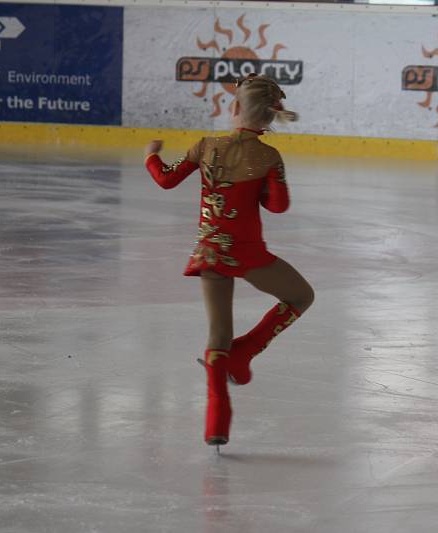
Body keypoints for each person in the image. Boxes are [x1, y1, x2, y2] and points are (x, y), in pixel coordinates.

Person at [143, 74, 314, 449]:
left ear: (234, 108)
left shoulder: (206, 146)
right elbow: (278, 206)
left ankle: (217, 417)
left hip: (210, 252)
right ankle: (246, 352)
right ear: (269, 117)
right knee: (301, 297)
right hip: (250, 253)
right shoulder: (269, 156)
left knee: (217, 335)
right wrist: (269, 182)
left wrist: (151, 155)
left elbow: (166, 181)